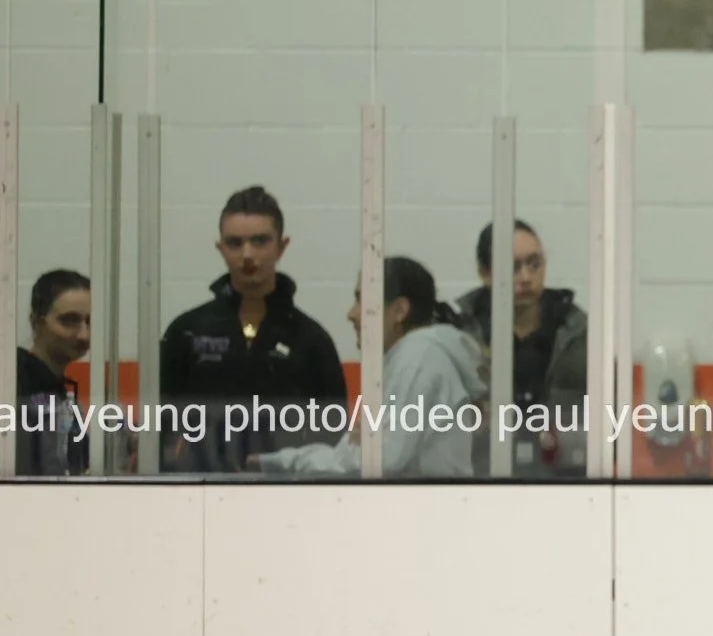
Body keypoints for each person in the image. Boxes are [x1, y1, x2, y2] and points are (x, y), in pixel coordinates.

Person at [159, 186, 350, 473]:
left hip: (286, 489)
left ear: (282, 246)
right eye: (235, 243)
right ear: (220, 248)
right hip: (199, 488)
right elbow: (159, 425)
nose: (247, 254)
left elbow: (332, 437)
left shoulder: (311, 340)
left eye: (260, 241)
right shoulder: (187, 332)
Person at [254, 258, 486, 479]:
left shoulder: (418, 358)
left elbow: (380, 462)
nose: (351, 314)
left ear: (399, 310)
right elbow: (367, 454)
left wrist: (285, 462)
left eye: (361, 300)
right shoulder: (411, 357)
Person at [452, 220, 588, 476]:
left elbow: (612, 419)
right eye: (512, 267)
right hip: (482, 481)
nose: (526, 278)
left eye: (534, 264)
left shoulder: (579, 335)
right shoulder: (461, 337)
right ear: (485, 272)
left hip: (565, 485)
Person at [14, 269, 90, 475]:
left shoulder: (59, 389)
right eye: (69, 320)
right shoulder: (14, 383)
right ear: (37, 323)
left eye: (90, 322)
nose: (84, 335)